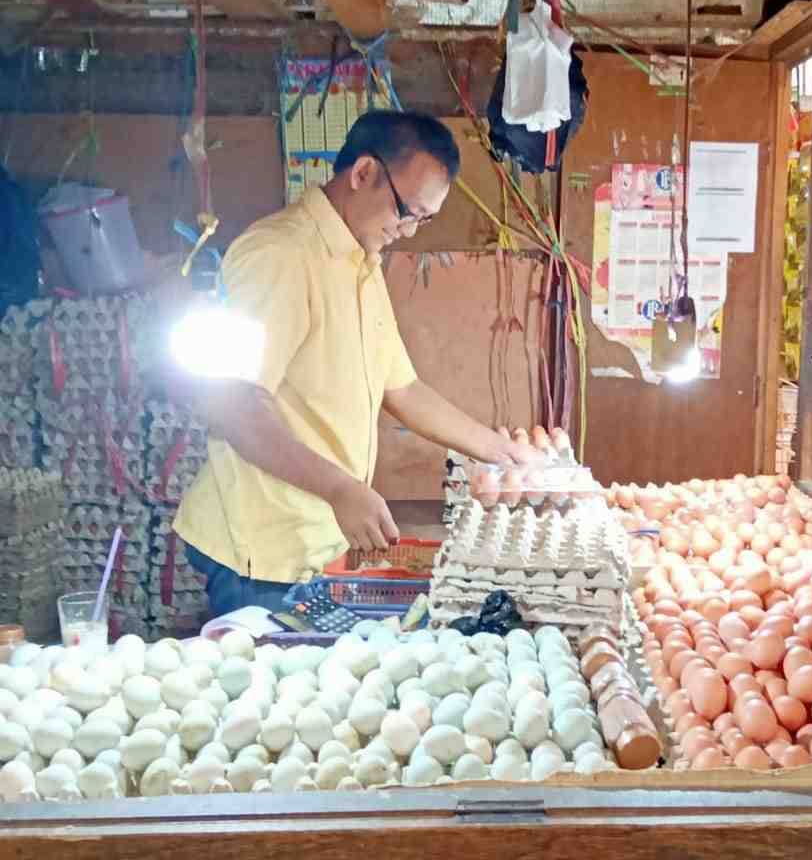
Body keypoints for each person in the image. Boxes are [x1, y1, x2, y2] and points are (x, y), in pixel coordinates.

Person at [174, 111, 542, 617]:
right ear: (364, 172)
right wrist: (341, 488)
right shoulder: (279, 255)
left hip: (316, 537)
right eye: (406, 211)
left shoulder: (359, 262)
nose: (409, 232)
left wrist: (502, 453)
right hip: (261, 550)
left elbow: (404, 389)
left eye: (423, 220)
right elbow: (233, 404)